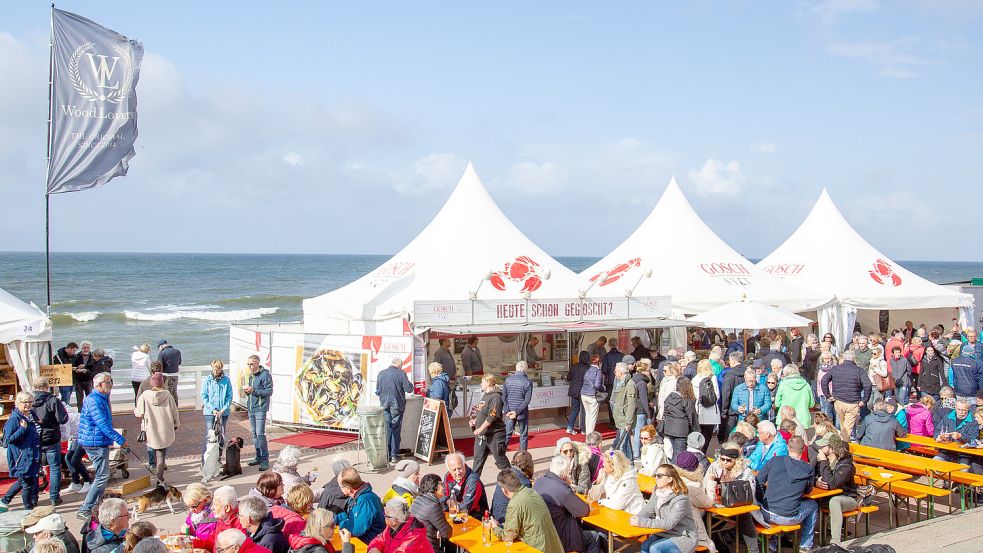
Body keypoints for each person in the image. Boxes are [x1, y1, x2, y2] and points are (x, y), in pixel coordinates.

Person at [77, 372, 127, 520]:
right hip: (95, 442)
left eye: (111, 382)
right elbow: (102, 424)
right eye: (107, 383)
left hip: (98, 440)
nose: (110, 385)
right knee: (102, 476)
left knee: (102, 476)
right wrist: (119, 439)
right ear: (98, 385)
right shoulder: (95, 400)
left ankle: (95, 506)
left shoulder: (101, 398)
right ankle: (86, 508)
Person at [756, 436, 817, 552]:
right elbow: (808, 491)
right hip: (788, 517)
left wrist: (763, 498)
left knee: (799, 505)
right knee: (813, 504)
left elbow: (758, 481)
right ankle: (806, 545)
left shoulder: (775, 460)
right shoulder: (808, 468)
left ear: (788, 448)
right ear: (803, 449)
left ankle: (772, 542)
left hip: (765, 512)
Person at [534, 455, 603, 553]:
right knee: (594, 537)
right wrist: (568, 486)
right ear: (564, 475)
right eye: (568, 473)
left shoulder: (539, 481)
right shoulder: (562, 490)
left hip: (544, 533)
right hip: (561, 536)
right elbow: (584, 510)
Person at [489, 469, 564, 553]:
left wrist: (495, 527)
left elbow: (508, 536)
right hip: (553, 545)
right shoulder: (531, 492)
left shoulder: (515, 503)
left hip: (536, 548)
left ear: (504, 490)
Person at [703, 442, 760, 553]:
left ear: (736, 460)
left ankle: (754, 550)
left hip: (739, 509)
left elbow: (750, 493)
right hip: (716, 508)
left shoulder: (746, 471)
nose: (724, 462)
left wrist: (733, 485)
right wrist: (712, 481)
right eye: (722, 459)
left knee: (745, 515)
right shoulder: (715, 467)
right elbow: (704, 488)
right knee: (702, 516)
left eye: (728, 460)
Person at [630, 464, 697, 553]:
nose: (656, 478)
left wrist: (641, 522)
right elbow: (648, 510)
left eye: (659, 476)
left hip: (683, 536)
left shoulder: (681, 498)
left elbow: (669, 523)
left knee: (655, 548)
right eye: (655, 475)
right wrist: (637, 518)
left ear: (670, 479)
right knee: (644, 546)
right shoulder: (657, 491)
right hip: (664, 532)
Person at [812, 434, 858, 545]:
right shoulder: (823, 459)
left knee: (835, 501)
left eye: (823, 446)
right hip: (825, 496)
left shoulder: (846, 465)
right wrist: (816, 482)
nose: (820, 449)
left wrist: (823, 461)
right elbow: (808, 475)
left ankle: (835, 543)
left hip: (847, 498)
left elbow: (832, 484)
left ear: (832, 449)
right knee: (807, 503)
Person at [30, 376, 69, 507]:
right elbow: (63, 418)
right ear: (46, 387)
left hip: (36, 438)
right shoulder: (52, 400)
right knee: (54, 468)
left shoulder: (29, 400)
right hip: (51, 438)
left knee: (35, 469)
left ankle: (34, 498)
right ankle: (54, 497)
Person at [134, 372, 179, 483]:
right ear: (162, 383)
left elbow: (138, 413)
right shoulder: (167, 395)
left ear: (152, 383)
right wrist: (176, 424)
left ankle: (158, 474)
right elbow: (175, 412)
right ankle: (160, 477)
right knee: (161, 454)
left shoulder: (145, 395)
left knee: (153, 450)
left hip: (150, 428)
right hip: (165, 428)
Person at [0, 391, 41, 511]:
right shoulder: (14, 419)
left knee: (24, 480)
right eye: (25, 402)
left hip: (32, 454)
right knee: (26, 483)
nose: (28, 405)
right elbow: (7, 440)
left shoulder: (30, 415)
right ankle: (28, 508)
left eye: (30, 402)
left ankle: (5, 500)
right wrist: (22, 429)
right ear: (18, 403)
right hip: (21, 456)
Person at [821, 350, 872, 441]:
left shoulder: (835, 369)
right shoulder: (859, 370)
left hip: (839, 401)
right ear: (854, 359)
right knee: (846, 429)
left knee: (843, 426)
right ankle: (841, 446)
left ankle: (842, 443)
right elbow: (868, 385)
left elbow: (824, 380)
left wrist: (828, 395)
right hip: (853, 402)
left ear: (844, 358)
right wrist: (864, 400)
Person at [347, 498, 430, 553]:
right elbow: (380, 539)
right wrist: (375, 548)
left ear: (394, 520)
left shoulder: (414, 537)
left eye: (385, 515)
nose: (384, 517)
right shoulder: (393, 527)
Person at [674, 453, 716, 553]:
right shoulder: (692, 486)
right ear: (696, 467)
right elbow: (708, 503)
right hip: (689, 531)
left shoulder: (672, 480)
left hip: (674, 528)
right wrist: (710, 482)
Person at [376, 357, 414, 464]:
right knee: (396, 430)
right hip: (397, 406)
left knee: (388, 430)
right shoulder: (401, 373)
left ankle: (387, 455)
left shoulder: (381, 373)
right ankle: (394, 455)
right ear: (400, 365)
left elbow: (378, 391)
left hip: (384, 405)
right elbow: (409, 389)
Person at [470, 374, 509, 477]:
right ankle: (473, 483)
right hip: (482, 435)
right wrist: (475, 421)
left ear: (488, 383)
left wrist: (481, 428)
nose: (481, 384)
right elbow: (482, 412)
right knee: (477, 461)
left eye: (482, 382)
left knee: (500, 460)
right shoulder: (485, 395)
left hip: (495, 434)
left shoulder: (496, 397)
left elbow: (492, 416)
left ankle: (512, 481)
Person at [334, 467, 385, 543]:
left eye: (340, 486)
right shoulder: (357, 496)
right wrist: (334, 518)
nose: (339, 488)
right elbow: (350, 515)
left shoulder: (364, 501)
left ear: (348, 488)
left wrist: (341, 525)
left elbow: (355, 530)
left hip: (370, 543)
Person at [410, 474, 453, 553]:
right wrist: (440, 530)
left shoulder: (418, 499)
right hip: (428, 548)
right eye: (441, 484)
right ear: (434, 487)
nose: (443, 487)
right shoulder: (433, 506)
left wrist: (438, 530)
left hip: (416, 543)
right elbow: (447, 533)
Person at [192, 486, 243, 552]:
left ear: (227, 508)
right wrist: (191, 542)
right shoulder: (223, 518)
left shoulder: (241, 524)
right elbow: (212, 541)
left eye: (215, 504)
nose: (212, 508)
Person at [593, 450, 645, 515]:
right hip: (614, 513)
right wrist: (598, 481)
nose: (602, 465)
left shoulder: (628, 480)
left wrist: (601, 501)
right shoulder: (606, 475)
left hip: (633, 515)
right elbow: (593, 497)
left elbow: (617, 504)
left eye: (604, 463)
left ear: (612, 467)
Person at [244, 354, 273, 470]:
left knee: (260, 433)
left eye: (251, 364)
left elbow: (269, 391)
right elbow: (252, 392)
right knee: (254, 434)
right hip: (251, 407)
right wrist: (247, 391)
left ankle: (265, 459)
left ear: (257, 363)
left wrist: (254, 390)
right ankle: (258, 456)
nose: (249, 366)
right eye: (248, 364)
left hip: (260, 408)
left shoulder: (265, 374)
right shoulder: (251, 376)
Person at [662, 376, 698, 462]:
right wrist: (697, 430)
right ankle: (674, 473)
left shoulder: (669, 397)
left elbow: (665, 412)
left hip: (669, 429)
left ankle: (672, 470)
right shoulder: (685, 400)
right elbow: (692, 416)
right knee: (679, 454)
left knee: (673, 452)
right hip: (681, 430)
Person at [934, 399, 980, 466]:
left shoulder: (973, 421)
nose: (961, 412)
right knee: (935, 463)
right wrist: (938, 436)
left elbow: (974, 438)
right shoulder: (948, 417)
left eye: (963, 410)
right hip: (947, 451)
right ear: (955, 408)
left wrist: (961, 436)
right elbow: (938, 430)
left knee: (963, 470)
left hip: (964, 454)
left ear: (968, 409)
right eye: (958, 409)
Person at [201, 359, 233, 455]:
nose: (216, 371)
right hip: (210, 412)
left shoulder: (226, 380)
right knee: (210, 435)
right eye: (214, 369)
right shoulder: (207, 380)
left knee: (221, 436)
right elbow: (204, 396)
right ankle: (205, 459)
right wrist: (212, 409)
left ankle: (218, 457)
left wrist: (223, 409)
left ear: (221, 369)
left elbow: (229, 396)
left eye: (218, 369)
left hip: (223, 412)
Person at [491, 450, 533, 523]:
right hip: (506, 519)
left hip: (495, 514)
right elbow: (526, 505)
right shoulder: (524, 482)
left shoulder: (505, 473)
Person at [442, 452, 488, 518]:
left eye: (459, 468)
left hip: (474, 517)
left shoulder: (473, 481)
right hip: (455, 514)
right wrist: (447, 501)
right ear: (449, 469)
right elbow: (442, 496)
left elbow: (466, 508)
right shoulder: (448, 476)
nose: (458, 472)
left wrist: (449, 504)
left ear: (464, 465)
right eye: (454, 470)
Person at [503, 361, 533, 451]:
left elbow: (504, 397)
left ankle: (500, 455)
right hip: (522, 412)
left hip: (509, 411)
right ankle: (522, 457)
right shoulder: (528, 382)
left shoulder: (507, 380)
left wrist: (508, 411)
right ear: (526, 370)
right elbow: (527, 400)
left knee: (507, 434)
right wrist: (516, 412)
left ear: (516, 369)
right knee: (523, 435)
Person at [692, 360, 720, 453]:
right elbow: (717, 395)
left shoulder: (695, 379)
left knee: (699, 433)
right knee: (707, 435)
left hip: (699, 409)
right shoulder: (712, 378)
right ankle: (704, 452)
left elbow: (694, 396)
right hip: (711, 411)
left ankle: (698, 452)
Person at [611, 362, 638, 459]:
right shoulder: (619, 382)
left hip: (624, 419)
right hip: (619, 418)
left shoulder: (630, 385)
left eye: (616, 371)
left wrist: (628, 422)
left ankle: (625, 464)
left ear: (621, 373)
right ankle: (630, 463)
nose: (614, 373)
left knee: (622, 444)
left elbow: (631, 404)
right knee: (625, 444)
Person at [774, 364, 814, 429]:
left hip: (785, 419)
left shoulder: (783, 384)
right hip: (802, 420)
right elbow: (811, 404)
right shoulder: (806, 385)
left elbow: (777, 403)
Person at [718, 352, 746, 441]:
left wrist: (724, 410)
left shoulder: (729, 375)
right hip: (746, 407)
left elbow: (726, 393)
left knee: (731, 435)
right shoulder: (748, 373)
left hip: (731, 409)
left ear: (733, 361)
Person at [580, 355, 604, 435]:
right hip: (592, 395)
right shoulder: (598, 371)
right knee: (593, 417)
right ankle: (590, 436)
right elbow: (597, 385)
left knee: (588, 414)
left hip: (584, 394)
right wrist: (603, 388)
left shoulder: (586, 369)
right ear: (599, 363)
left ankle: (587, 433)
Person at [566, 351, 589, 434]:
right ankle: (583, 429)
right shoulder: (587, 368)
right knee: (584, 410)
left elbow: (568, 378)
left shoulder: (574, 366)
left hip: (573, 390)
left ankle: (570, 427)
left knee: (575, 409)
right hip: (583, 390)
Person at [157, 339, 182, 404]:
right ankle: (175, 408)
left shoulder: (162, 353)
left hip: (166, 375)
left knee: (166, 392)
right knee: (174, 392)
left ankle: (168, 408)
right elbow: (179, 363)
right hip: (175, 375)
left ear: (161, 346)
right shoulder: (177, 351)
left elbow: (159, 365)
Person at [72, 341, 95, 410]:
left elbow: (94, 367)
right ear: (81, 348)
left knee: (90, 398)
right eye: (84, 347)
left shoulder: (93, 356)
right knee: (79, 399)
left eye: (87, 348)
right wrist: (77, 370)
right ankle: (80, 413)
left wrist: (85, 368)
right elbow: (72, 367)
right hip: (78, 380)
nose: (86, 349)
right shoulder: (76, 356)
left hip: (88, 380)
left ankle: (90, 412)